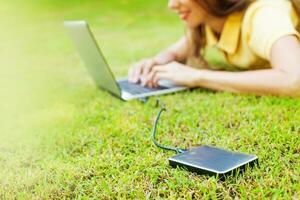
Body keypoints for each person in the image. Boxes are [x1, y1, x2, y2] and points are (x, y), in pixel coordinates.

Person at [128, 0, 300, 97]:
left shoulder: (264, 15)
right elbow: (179, 49)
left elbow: (294, 80)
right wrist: (157, 61)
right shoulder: (212, 22)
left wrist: (197, 76)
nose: (171, 4)